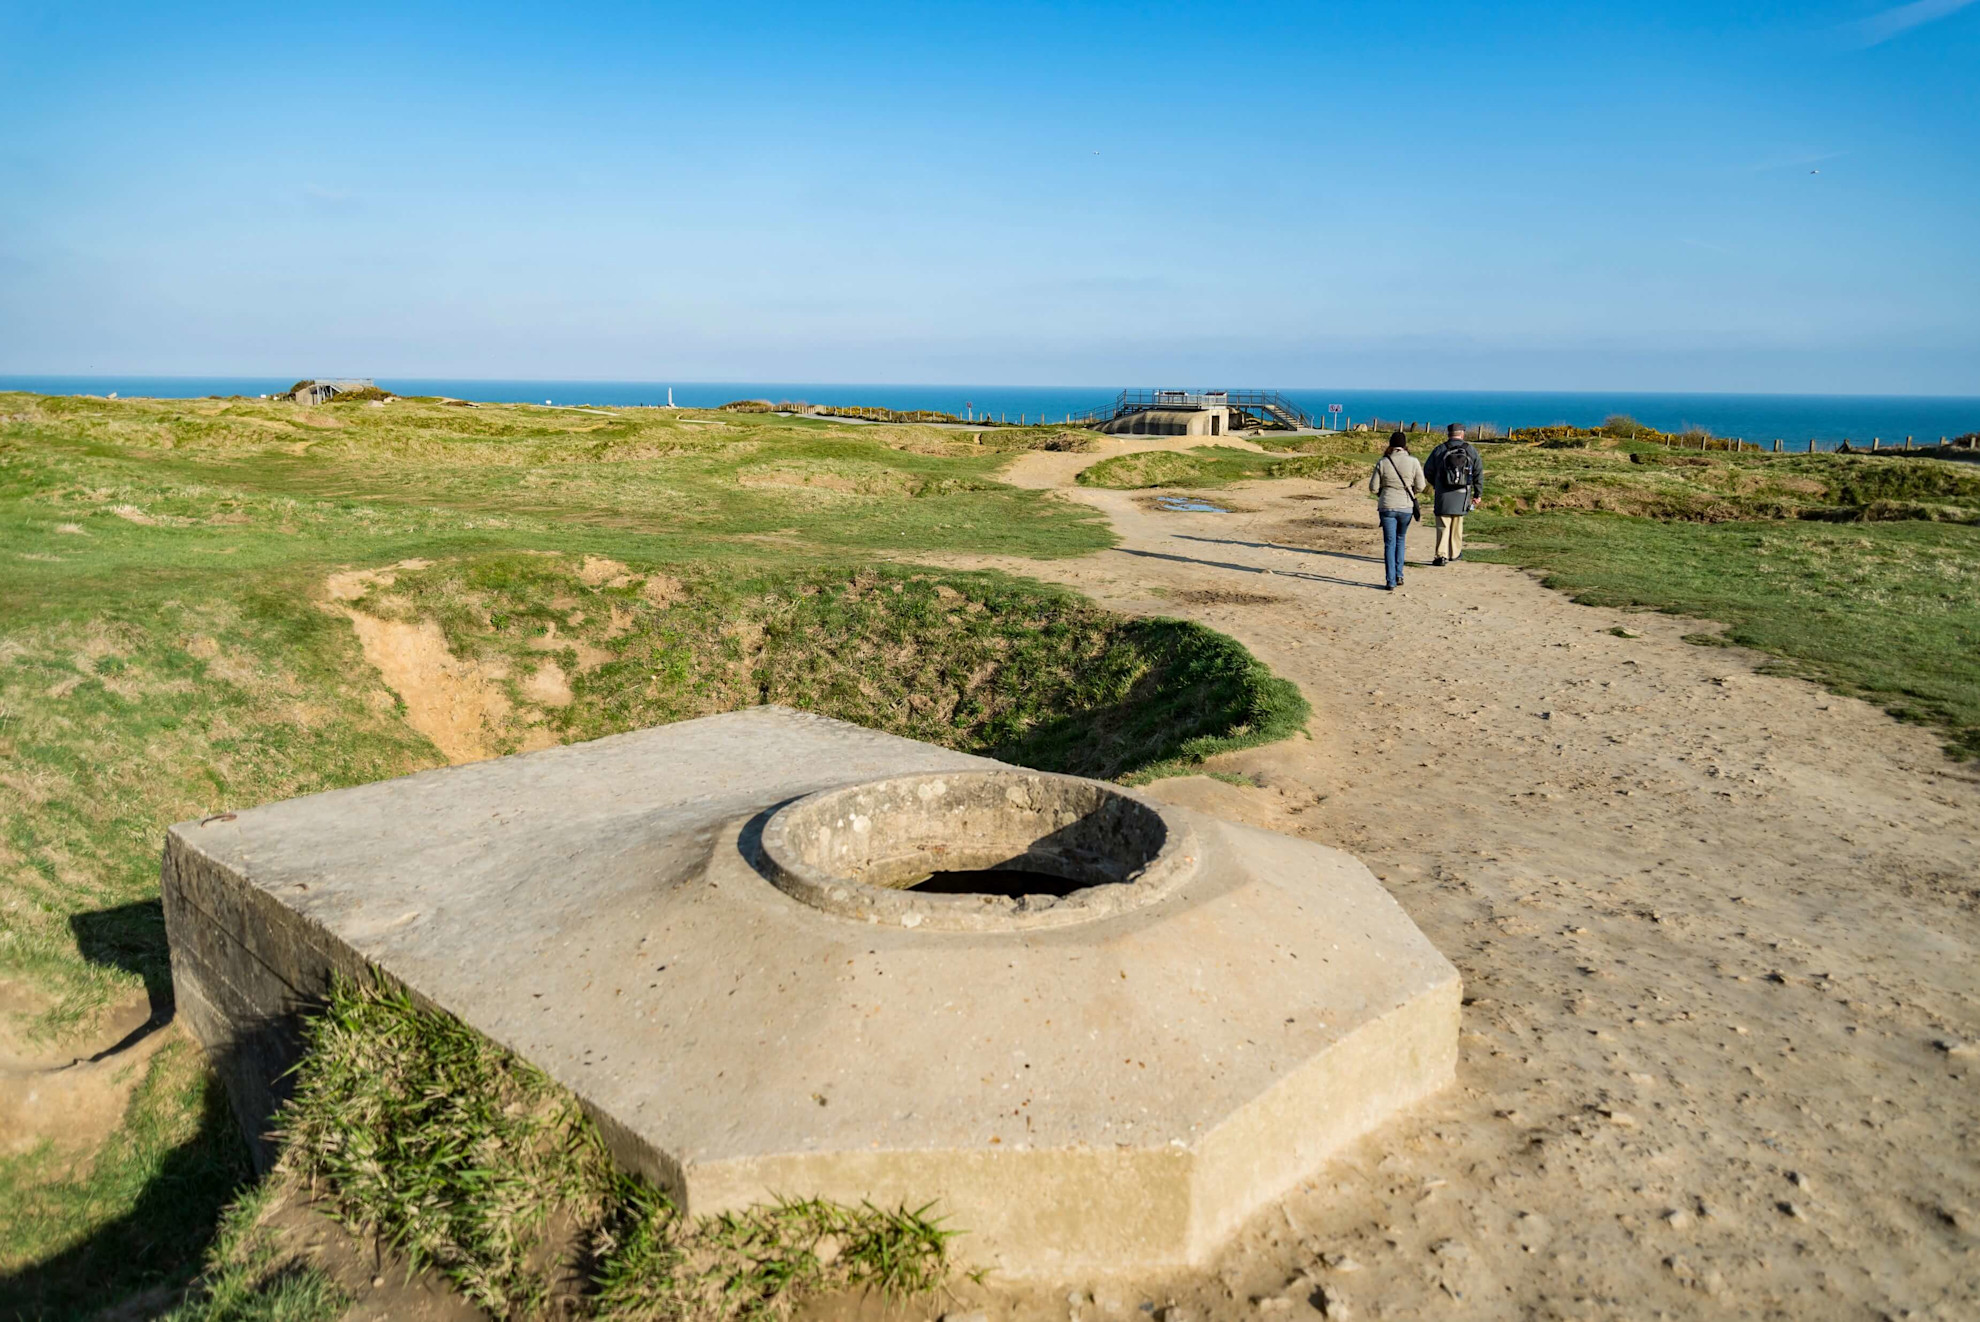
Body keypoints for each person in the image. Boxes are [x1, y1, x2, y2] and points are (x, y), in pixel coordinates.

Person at [1367, 431, 1425, 591]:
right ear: (1405, 445)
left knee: (1389, 543)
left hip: (1387, 505)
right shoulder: (1414, 462)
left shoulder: (1383, 462)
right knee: (1401, 539)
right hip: (1406, 506)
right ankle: (1400, 575)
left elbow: (1373, 487)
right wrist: (1411, 491)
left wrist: (1384, 491)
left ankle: (1390, 581)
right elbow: (1421, 486)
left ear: (1390, 444)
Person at [1424, 423, 1483, 566]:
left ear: (1448, 434)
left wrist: (1436, 484)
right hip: (1462, 495)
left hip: (1443, 494)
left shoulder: (1439, 450)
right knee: (1457, 525)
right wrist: (1477, 494)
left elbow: (1427, 470)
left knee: (1443, 525)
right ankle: (1454, 553)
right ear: (1462, 434)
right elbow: (1478, 473)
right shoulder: (1470, 450)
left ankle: (1441, 555)